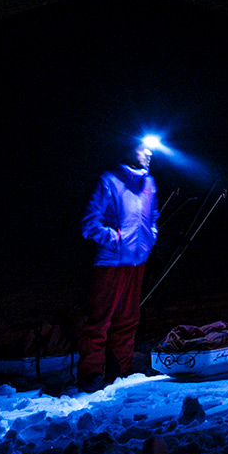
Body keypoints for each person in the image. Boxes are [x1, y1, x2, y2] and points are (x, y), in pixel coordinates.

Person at [77, 138, 159, 393]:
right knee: (100, 320)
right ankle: (91, 375)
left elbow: (153, 217)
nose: (149, 154)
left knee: (129, 319)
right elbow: (89, 223)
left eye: (151, 149)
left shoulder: (149, 183)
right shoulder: (109, 180)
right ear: (129, 149)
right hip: (110, 262)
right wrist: (115, 239)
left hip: (137, 261)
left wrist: (150, 238)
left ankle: (121, 370)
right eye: (143, 148)